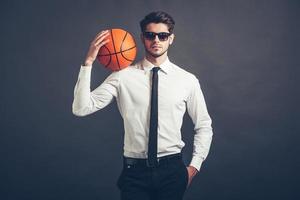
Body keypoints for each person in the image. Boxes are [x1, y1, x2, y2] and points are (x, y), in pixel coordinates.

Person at [72, 11, 213, 200]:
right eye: (150, 35)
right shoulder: (122, 76)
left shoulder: (187, 80)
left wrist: (194, 166)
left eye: (162, 36)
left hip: (172, 171)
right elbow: (81, 108)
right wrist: (87, 63)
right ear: (142, 38)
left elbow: (204, 125)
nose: (156, 40)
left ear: (171, 39)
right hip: (134, 172)